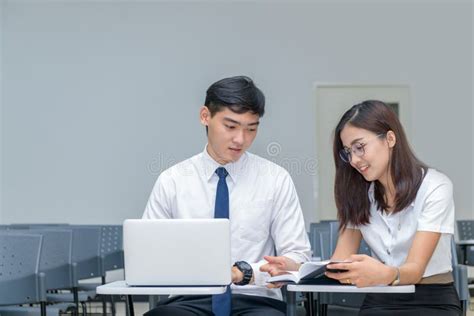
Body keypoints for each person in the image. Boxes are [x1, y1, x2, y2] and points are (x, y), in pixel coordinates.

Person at [142, 75, 311, 316]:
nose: (241, 139)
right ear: (205, 117)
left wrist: (247, 272)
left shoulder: (276, 179)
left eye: (251, 129)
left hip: (255, 299)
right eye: (230, 127)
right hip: (189, 299)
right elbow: (149, 253)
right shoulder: (173, 181)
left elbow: (297, 256)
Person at [324, 100, 462, 315]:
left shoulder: (435, 186)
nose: (353, 160)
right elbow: (339, 262)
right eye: (348, 152)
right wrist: (295, 270)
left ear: (390, 138)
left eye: (360, 147)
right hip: (380, 298)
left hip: (431, 298)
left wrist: (383, 273)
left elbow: (415, 270)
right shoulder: (359, 194)